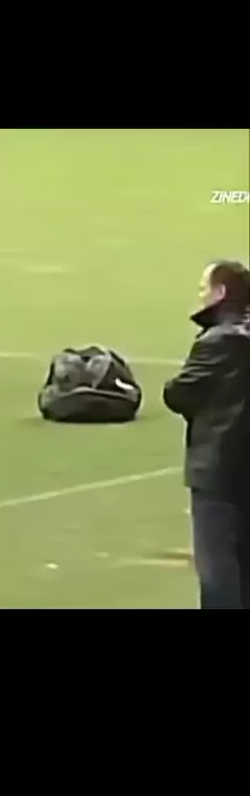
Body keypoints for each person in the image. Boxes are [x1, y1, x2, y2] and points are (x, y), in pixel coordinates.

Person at [163, 260, 250, 609]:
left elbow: (179, 393)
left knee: (218, 570)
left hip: (219, 469)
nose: (200, 295)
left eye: (204, 288)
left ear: (220, 292)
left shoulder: (219, 341)